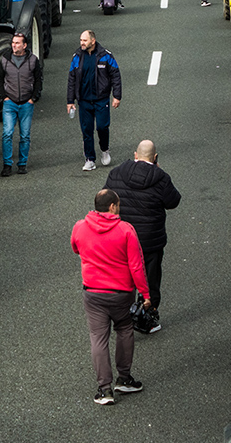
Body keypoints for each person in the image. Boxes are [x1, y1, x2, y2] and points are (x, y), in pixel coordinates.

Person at [70, 188, 150, 405]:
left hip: (93, 293)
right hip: (121, 293)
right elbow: (136, 265)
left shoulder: (80, 227)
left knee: (98, 338)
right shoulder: (125, 230)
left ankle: (104, 389)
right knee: (124, 330)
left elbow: (76, 248)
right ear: (113, 207)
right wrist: (145, 293)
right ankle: (124, 378)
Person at [104, 140, 182, 331]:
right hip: (149, 240)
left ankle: (121, 315)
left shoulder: (116, 173)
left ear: (135, 155)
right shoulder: (161, 178)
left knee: (122, 277)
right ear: (155, 158)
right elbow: (173, 201)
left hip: (120, 238)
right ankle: (147, 316)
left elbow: (106, 199)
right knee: (150, 280)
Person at [66, 29, 121, 171]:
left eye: (84, 40)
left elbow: (115, 74)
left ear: (92, 41)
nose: (81, 43)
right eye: (80, 40)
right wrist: (70, 101)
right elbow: (71, 79)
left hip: (101, 99)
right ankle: (90, 159)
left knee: (102, 127)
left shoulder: (105, 56)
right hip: (84, 101)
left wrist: (117, 96)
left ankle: (104, 149)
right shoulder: (77, 56)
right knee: (86, 130)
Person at [0, 32, 42, 176]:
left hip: (26, 103)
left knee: (24, 136)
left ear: (24, 46)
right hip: (9, 102)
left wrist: (33, 98)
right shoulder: (4, 60)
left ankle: (22, 164)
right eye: (13, 42)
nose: (14, 45)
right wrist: (3, 97)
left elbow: (38, 80)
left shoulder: (33, 60)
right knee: (7, 134)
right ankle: (7, 165)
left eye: (17, 43)